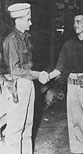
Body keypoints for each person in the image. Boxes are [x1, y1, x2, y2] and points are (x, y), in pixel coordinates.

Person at [39, 8, 83, 154]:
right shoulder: (68, 45)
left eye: (78, 22)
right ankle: (77, 150)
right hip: (72, 88)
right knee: (76, 123)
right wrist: (47, 77)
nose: (75, 25)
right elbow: (60, 67)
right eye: (74, 22)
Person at [2, 3, 45, 154]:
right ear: (19, 20)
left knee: (28, 125)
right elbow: (16, 70)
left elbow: (27, 65)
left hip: (28, 83)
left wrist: (34, 75)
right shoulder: (12, 40)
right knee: (15, 128)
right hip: (18, 85)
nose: (31, 23)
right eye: (28, 19)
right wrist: (38, 75)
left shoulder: (25, 38)